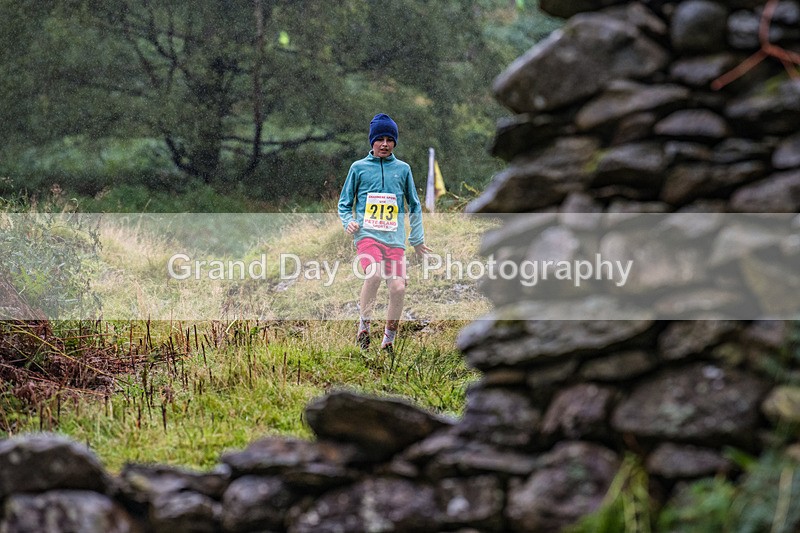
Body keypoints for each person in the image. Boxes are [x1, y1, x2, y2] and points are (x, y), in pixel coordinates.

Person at [338, 113, 432, 353]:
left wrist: (417, 239)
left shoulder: (403, 169)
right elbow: (344, 203)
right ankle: (364, 327)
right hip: (368, 236)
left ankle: (388, 339)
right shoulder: (358, 168)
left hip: (395, 241)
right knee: (375, 274)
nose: (384, 144)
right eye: (379, 139)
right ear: (372, 142)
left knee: (398, 288)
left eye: (390, 140)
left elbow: (415, 204)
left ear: (395, 143)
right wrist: (348, 222)